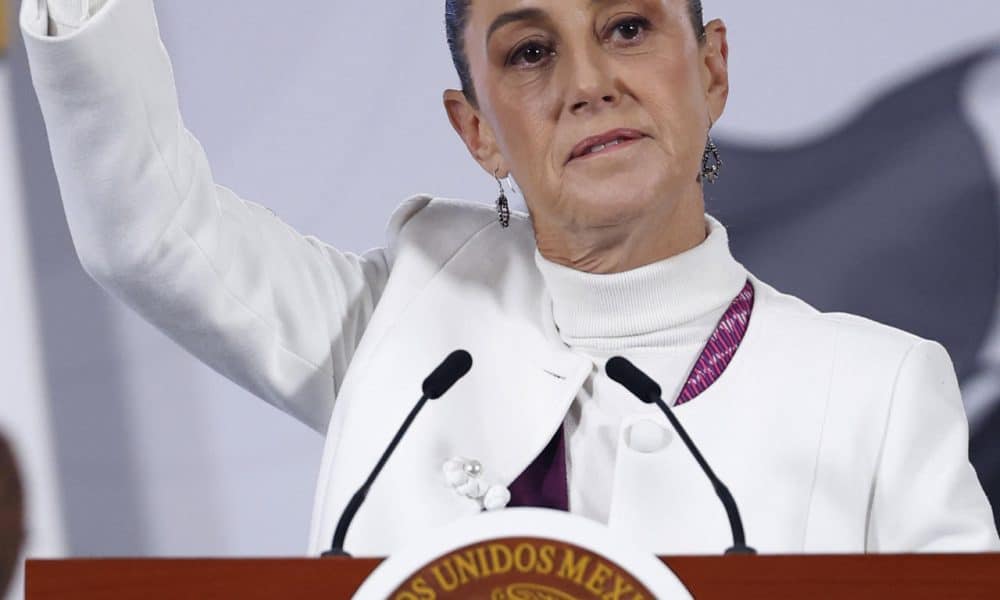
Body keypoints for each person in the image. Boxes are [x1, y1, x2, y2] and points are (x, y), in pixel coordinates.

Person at [20, 0, 1000, 556]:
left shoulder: (875, 392)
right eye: (530, 52)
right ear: (477, 129)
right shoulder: (404, 323)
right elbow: (148, 234)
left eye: (626, 28)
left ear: (710, 71)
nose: (586, 82)